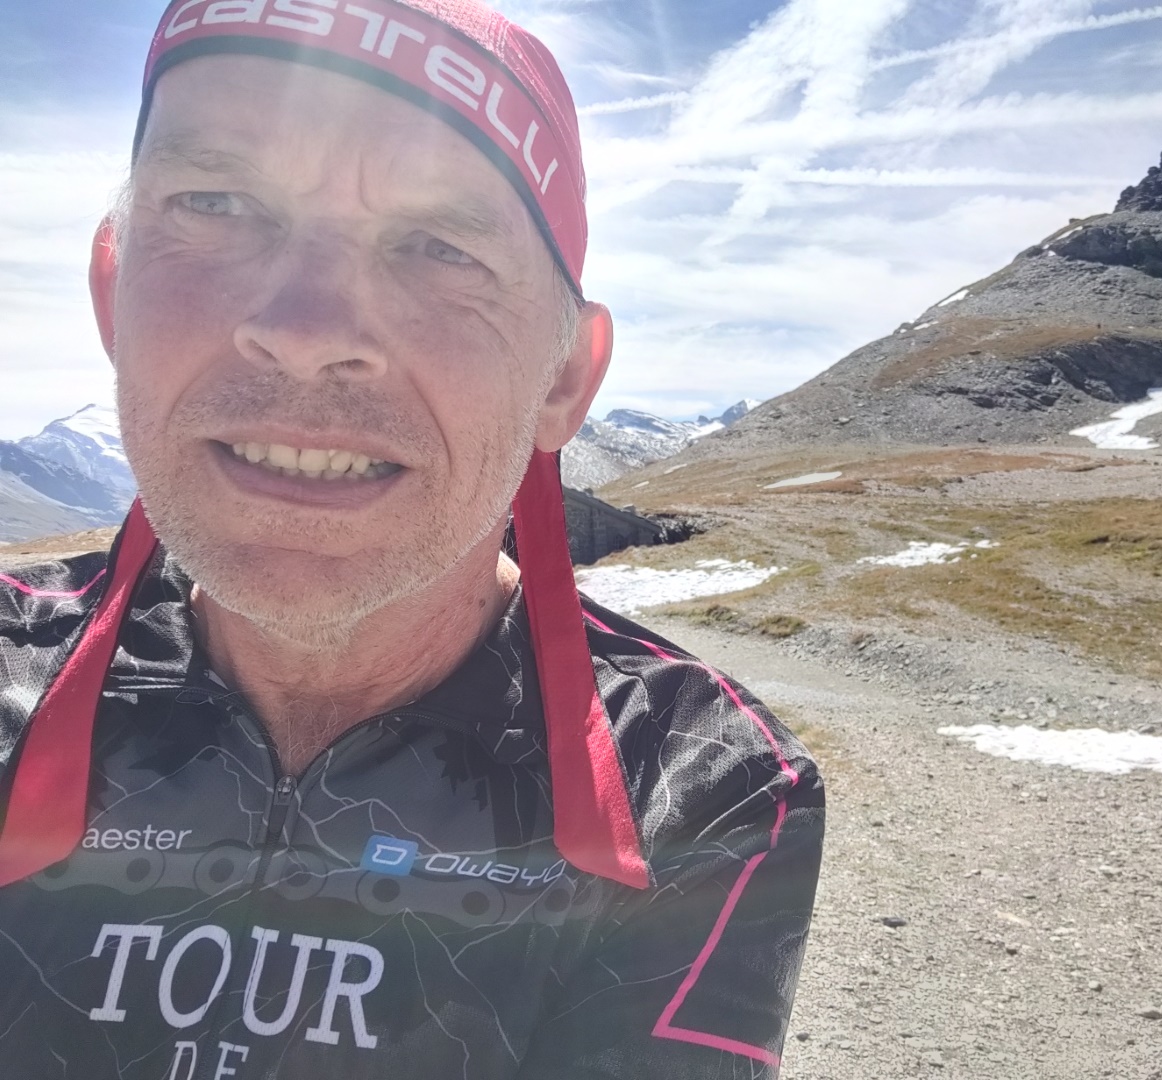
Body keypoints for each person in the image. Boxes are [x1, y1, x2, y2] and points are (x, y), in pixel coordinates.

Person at [0, 2, 824, 1077]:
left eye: (439, 247)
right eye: (216, 202)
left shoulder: (692, 782)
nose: (304, 332)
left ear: (563, 379)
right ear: (115, 292)